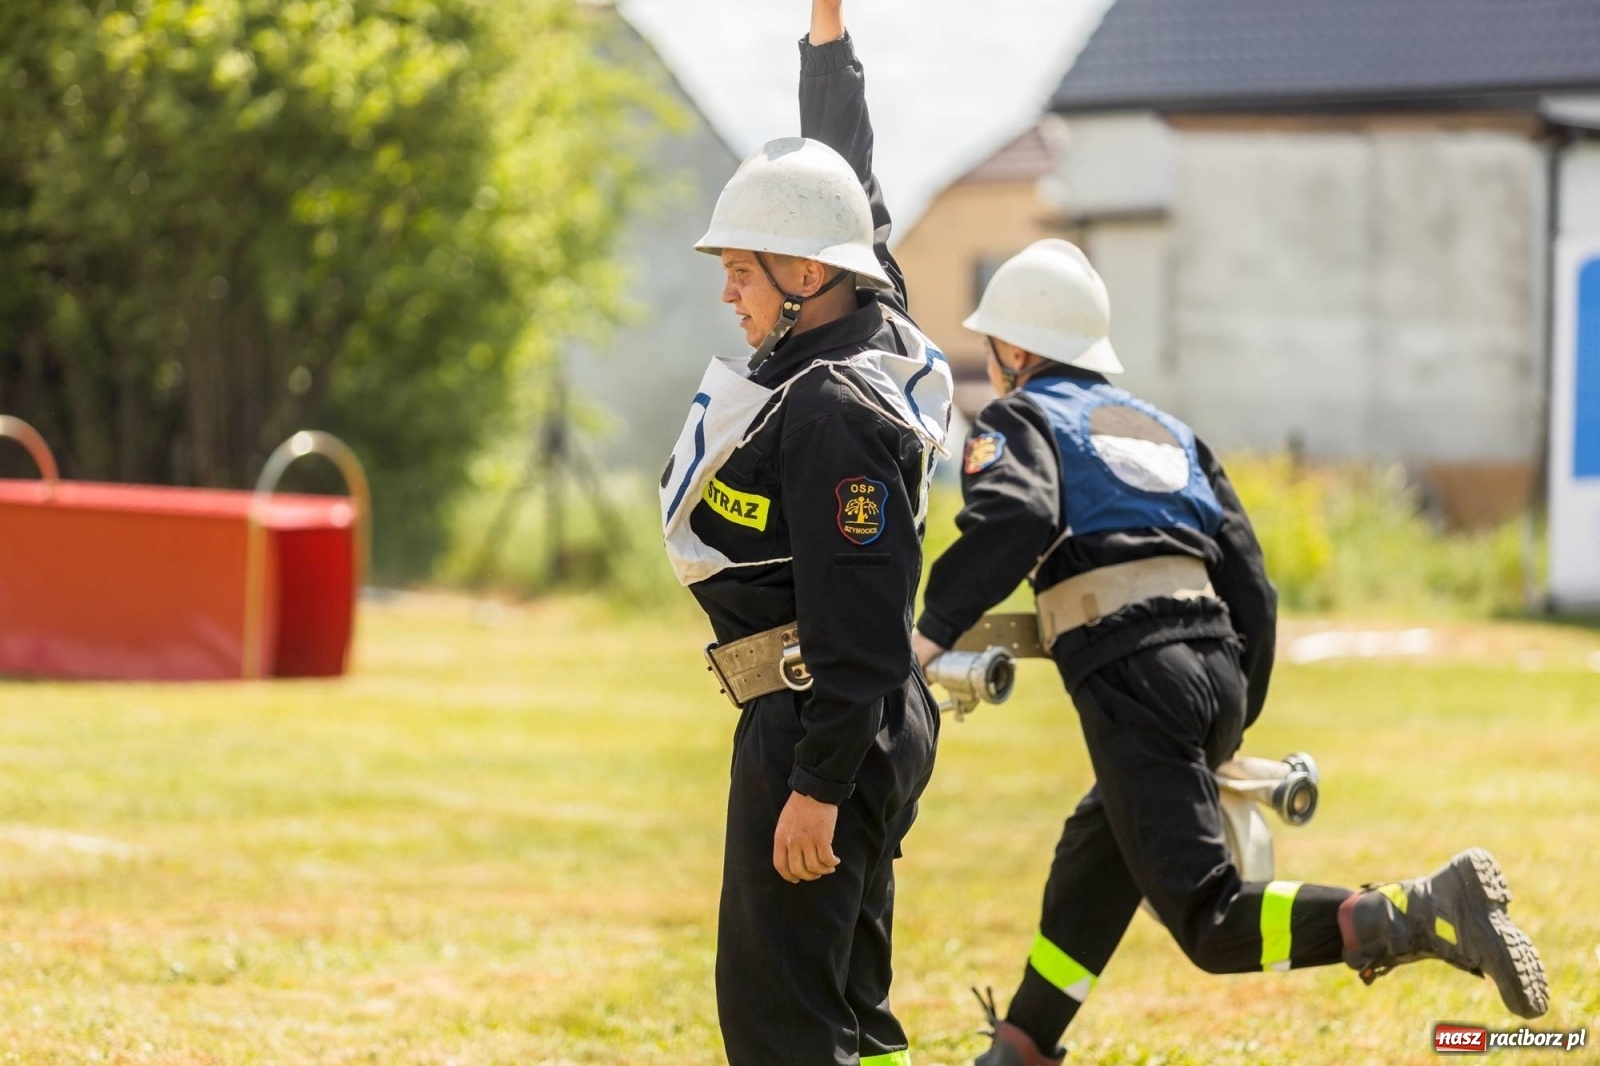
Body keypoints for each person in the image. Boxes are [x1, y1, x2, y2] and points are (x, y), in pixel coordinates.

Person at [911, 239, 1549, 1066]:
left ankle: (1410, 909)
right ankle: (1023, 1046)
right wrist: (1231, 712)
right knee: (1094, 856)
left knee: (1210, 921)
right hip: (1213, 670)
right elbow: (1253, 584)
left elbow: (1016, 519)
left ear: (1019, 350)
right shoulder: (1171, 433)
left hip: (1134, 677)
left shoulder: (1020, 419)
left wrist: (929, 631)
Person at [657, 2, 953, 1062]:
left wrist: (817, 788)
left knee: (785, 1026)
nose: (728, 292)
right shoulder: (881, 327)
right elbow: (847, 184)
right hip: (855, 715)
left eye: (743, 269)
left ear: (809, 277)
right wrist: (827, 40)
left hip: (819, 713)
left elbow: (860, 616)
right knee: (852, 1013)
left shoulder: (833, 406)